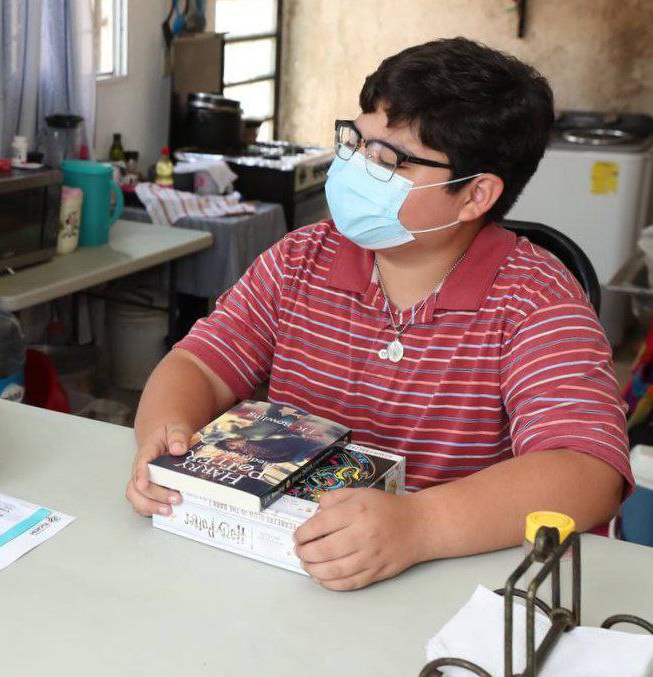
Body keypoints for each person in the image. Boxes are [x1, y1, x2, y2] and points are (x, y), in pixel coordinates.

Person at [127, 37, 631, 591]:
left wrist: (420, 524)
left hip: (440, 580)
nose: (355, 167)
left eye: (388, 159)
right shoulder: (303, 259)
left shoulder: (535, 299)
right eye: (356, 141)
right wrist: (165, 437)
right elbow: (199, 364)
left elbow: (587, 471)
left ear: (474, 195)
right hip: (285, 564)